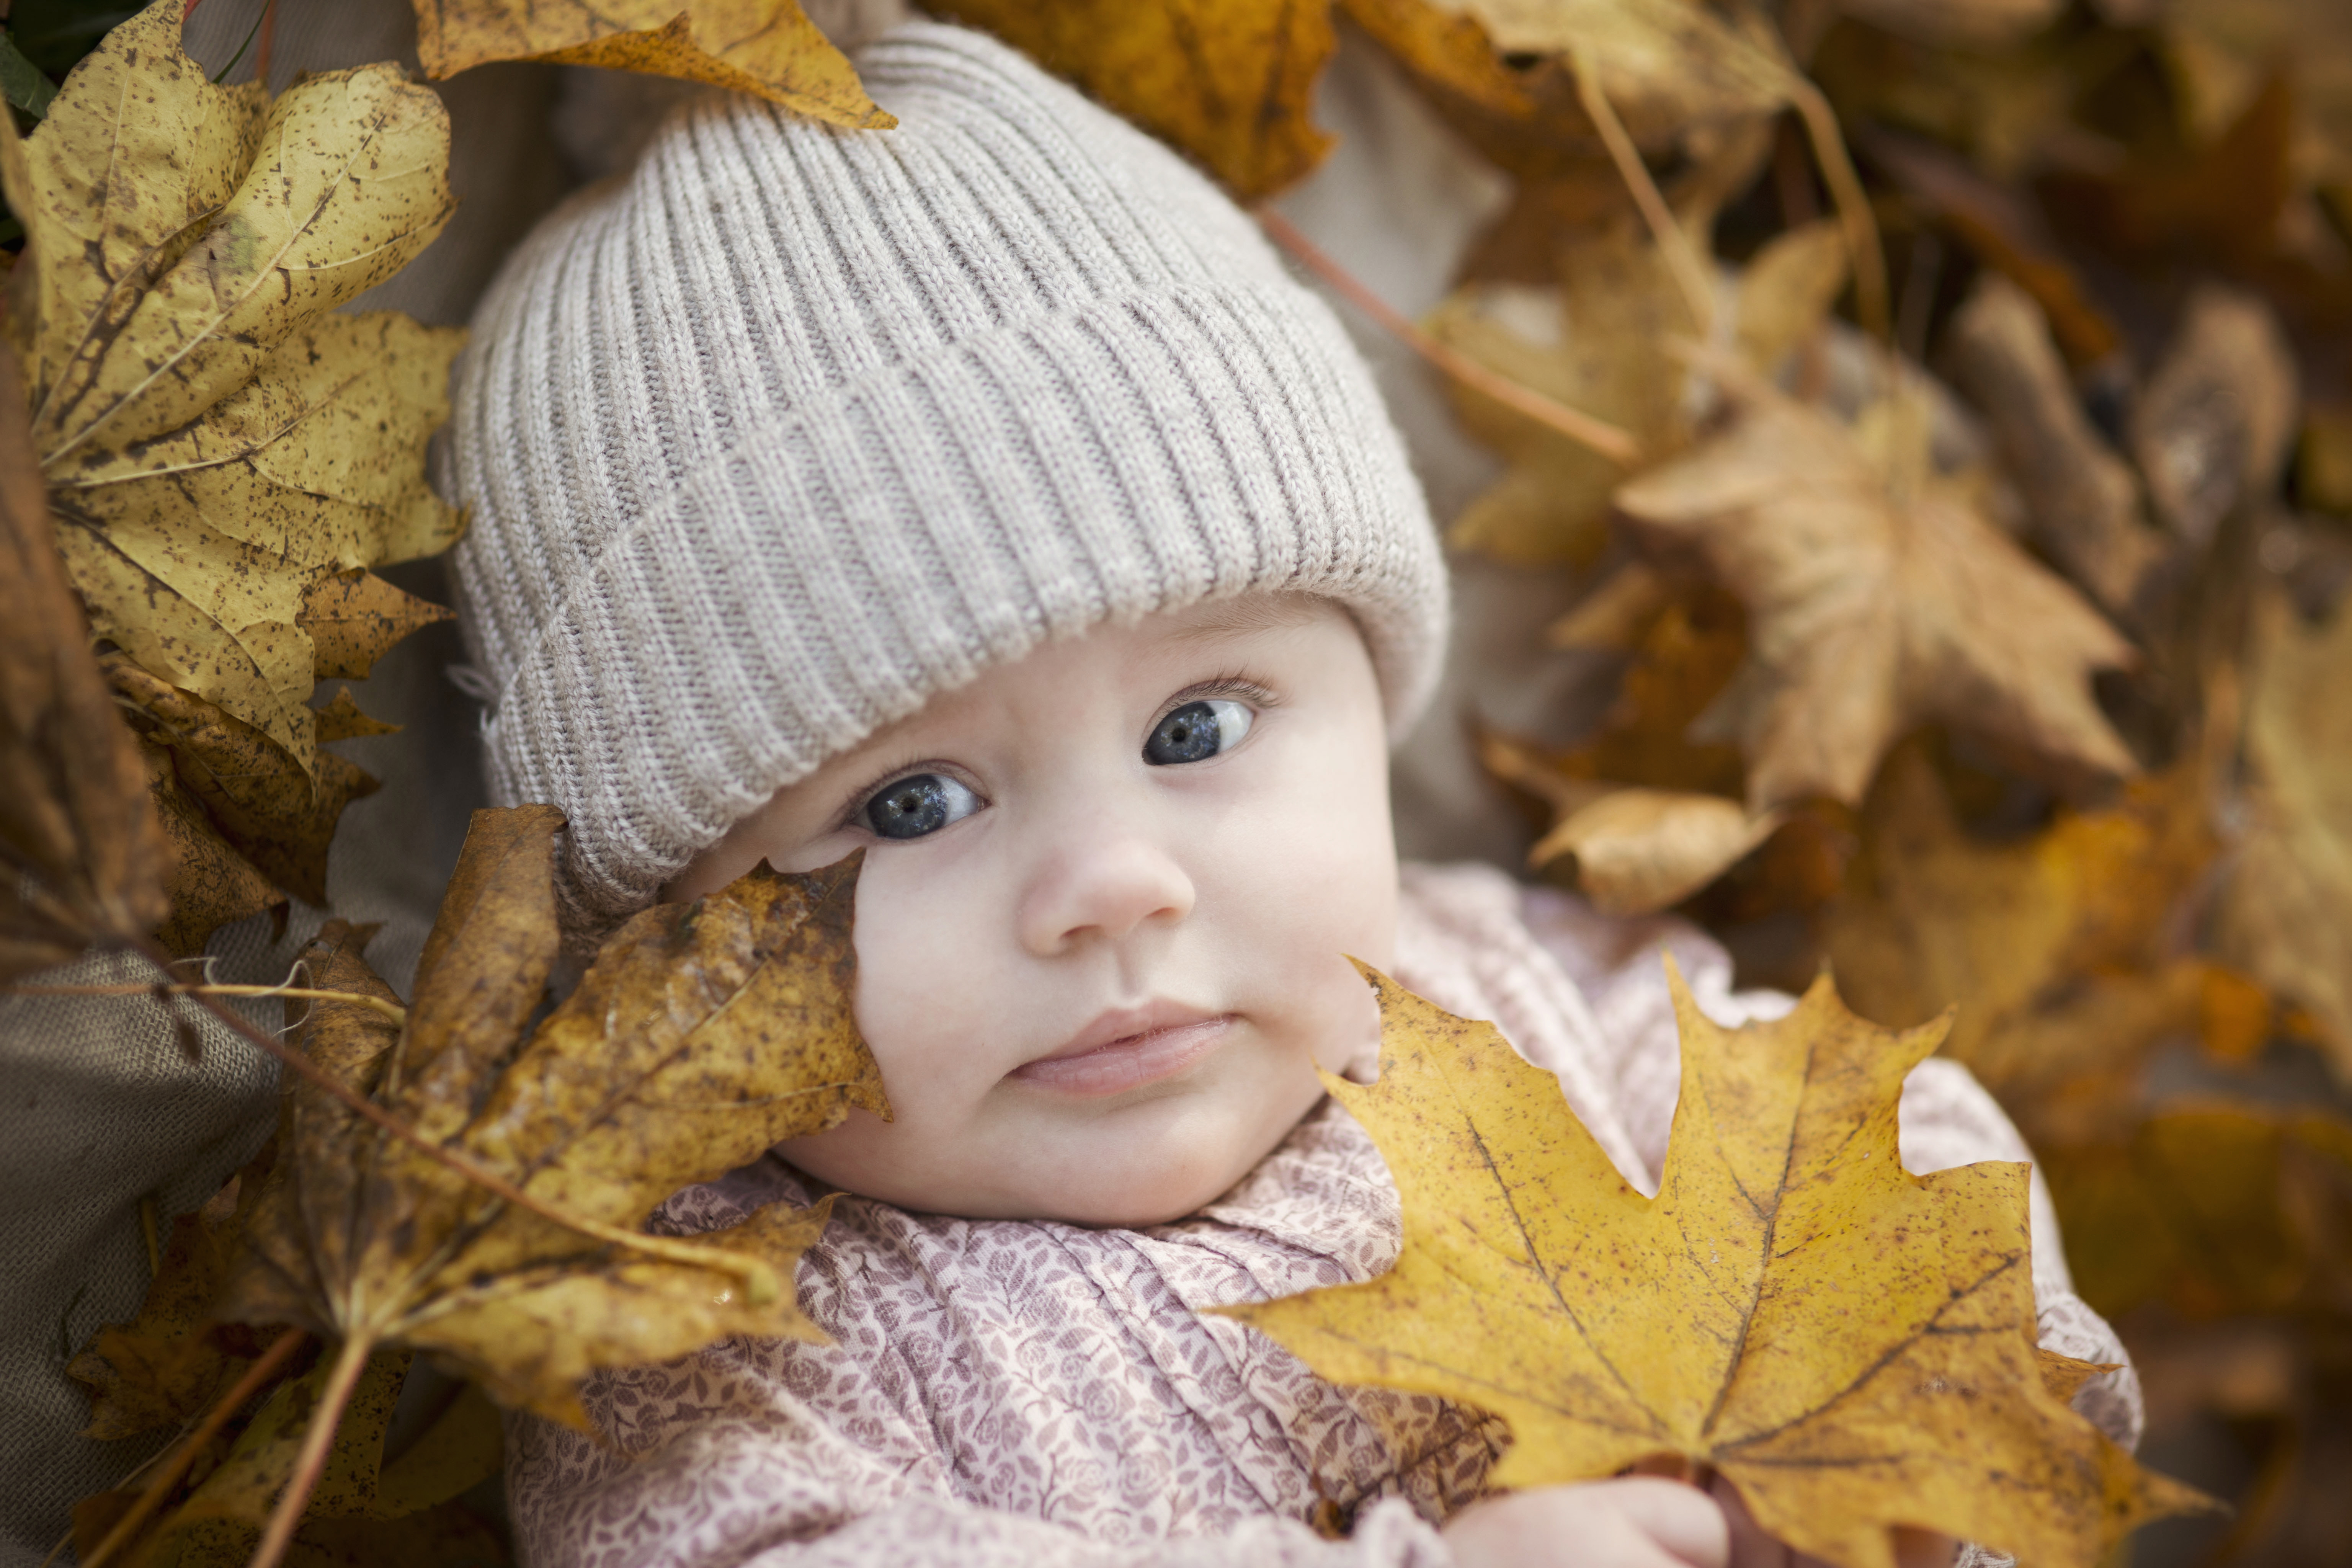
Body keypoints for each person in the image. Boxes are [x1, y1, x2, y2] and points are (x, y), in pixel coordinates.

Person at [443, 21, 2139, 1568]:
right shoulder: (697, 1312)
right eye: (907, 807)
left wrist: (1861, 1451)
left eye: (1195, 732)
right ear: (666, 953)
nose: (1113, 884)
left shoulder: (1524, 1001)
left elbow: (1884, 1167)